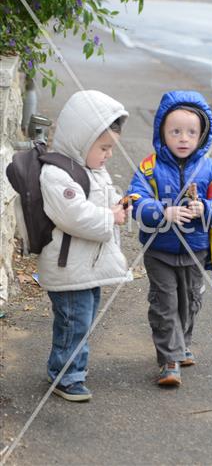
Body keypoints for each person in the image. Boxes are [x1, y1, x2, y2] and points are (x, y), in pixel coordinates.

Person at [128, 90, 212, 386]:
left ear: (202, 135)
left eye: (191, 132)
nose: (183, 138)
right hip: (159, 249)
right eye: (175, 131)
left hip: (196, 249)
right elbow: (136, 199)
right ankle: (169, 360)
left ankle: (182, 343)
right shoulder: (150, 167)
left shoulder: (210, 169)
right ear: (162, 130)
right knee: (165, 303)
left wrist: (206, 208)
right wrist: (164, 211)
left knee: (189, 301)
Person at [38, 90, 132, 401]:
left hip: (85, 265)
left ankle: (72, 367)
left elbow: (98, 202)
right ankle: (65, 376)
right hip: (69, 266)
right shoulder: (56, 174)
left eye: (111, 149)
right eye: (103, 147)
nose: (108, 155)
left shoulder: (94, 170)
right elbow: (74, 216)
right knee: (73, 321)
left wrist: (117, 206)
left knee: (83, 318)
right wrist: (110, 216)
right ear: (81, 140)